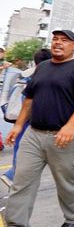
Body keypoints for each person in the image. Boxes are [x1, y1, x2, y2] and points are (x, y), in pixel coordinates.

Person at [0, 30, 74, 227]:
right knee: (21, 181)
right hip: (34, 134)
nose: (58, 43)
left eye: (64, 40)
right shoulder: (43, 67)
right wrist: (17, 126)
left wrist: (71, 125)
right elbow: (30, 99)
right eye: (55, 39)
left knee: (67, 182)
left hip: (63, 136)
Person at [2, 48, 52, 184]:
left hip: (19, 117)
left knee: (20, 146)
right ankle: (14, 176)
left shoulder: (24, 75)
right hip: (32, 119)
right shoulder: (41, 77)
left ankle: (14, 175)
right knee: (29, 151)